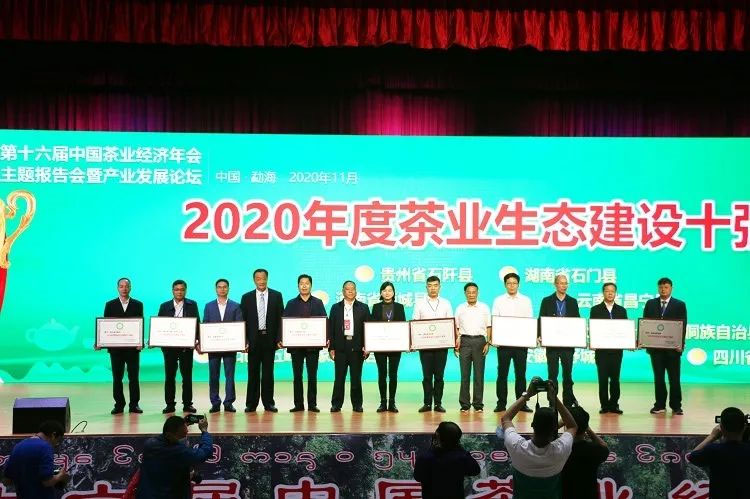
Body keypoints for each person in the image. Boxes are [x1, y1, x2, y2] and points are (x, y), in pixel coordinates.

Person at [500, 380, 578, 498]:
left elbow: (506, 419)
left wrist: (527, 394)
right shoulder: (561, 450)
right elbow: (572, 426)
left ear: (532, 425)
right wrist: (554, 398)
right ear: (555, 428)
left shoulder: (517, 447)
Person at [137, 415, 213, 499]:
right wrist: (204, 431)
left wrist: (180, 425)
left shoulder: (150, 444)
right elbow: (204, 453)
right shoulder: (178, 452)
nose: (185, 438)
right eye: (183, 436)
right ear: (169, 435)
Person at [282, 274, 327, 412]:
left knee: (312, 376)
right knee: (297, 376)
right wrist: (282, 338)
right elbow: (284, 322)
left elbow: (325, 321)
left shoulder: (318, 303)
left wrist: (326, 338)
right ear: (298, 286)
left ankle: (312, 404)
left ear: (311, 285)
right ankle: (298, 404)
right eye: (301, 283)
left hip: (313, 346)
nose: (304, 286)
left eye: (307, 283)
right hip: (296, 347)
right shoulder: (291, 303)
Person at [642, 277, 688, 415]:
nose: (663, 289)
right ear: (658, 288)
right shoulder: (650, 303)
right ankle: (660, 405)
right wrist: (644, 341)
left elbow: (683, 325)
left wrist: (680, 344)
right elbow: (646, 324)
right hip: (656, 350)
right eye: (661, 287)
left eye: (666, 287)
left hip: (673, 350)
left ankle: (676, 406)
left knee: (674, 379)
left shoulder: (679, 304)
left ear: (671, 288)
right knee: (659, 378)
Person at [241, 268, 284, 413]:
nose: (261, 281)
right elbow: (242, 321)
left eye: (263, 278)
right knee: (252, 373)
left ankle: (268, 403)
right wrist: (244, 341)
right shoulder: (246, 297)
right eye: (258, 278)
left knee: (268, 373)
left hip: (269, 340)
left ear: (267, 278)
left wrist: (279, 339)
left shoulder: (276, 296)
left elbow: (281, 319)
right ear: (254, 280)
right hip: (253, 340)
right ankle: (251, 404)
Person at [492, 272, 534, 413]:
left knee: (521, 375)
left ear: (518, 284)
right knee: (502, 375)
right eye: (509, 283)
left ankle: (521, 403)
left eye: (514, 283)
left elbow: (529, 321)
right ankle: (501, 403)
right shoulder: (498, 300)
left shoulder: (526, 300)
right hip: (504, 344)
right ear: (505, 285)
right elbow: (495, 320)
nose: (511, 286)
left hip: (520, 343)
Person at [687, 406, 750, 499]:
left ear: (721, 428)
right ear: (744, 427)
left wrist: (712, 436)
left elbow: (692, 456)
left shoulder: (714, 450)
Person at [102, 277, 144, 414]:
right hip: (116, 350)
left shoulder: (138, 304)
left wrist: (140, 342)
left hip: (133, 349)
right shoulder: (110, 305)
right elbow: (105, 326)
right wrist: (101, 342)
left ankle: (134, 405)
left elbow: (140, 324)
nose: (124, 289)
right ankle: (119, 405)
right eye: (121, 286)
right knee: (117, 378)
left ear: (130, 288)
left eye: (126, 286)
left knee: (134, 378)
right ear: (117, 288)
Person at [158, 279, 200, 414]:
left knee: (187, 377)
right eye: (177, 289)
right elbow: (159, 326)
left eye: (182, 289)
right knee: (169, 377)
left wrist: (198, 341)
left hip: (186, 348)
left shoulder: (192, 304)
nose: (179, 292)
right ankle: (169, 404)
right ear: (172, 291)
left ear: (185, 291)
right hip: (169, 348)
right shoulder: (164, 306)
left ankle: (187, 404)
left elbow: (197, 323)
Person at [328, 280, 371, 412]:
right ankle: (336, 404)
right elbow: (331, 329)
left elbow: (368, 329)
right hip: (340, 347)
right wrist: (331, 348)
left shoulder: (363, 307)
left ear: (356, 291)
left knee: (356, 378)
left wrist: (367, 346)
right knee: (339, 378)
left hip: (357, 347)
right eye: (347, 289)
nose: (350, 291)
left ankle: (357, 404)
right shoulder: (335, 308)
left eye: (353, 288)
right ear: (343, 291)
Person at [413, 275, 453, 413]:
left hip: (442, 345)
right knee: (427, 376)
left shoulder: (446, 303)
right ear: (426, 287)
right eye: (430, 286)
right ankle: (427, 403)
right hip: (425, 346)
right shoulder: (420, 303)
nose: (433, 288)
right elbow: (415, 323)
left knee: (439, 376)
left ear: (439, 287)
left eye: (435, 285)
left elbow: (450, 323)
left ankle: (438, 404)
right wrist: (414, 342)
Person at [538, 274, 580, 407]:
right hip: (552, 344)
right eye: (561, 283)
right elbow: (541, 319)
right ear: (555, 284)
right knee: (552, 375)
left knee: (567, 375)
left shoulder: (572, 301)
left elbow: (577, 321)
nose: (564, 286)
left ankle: (567, 402)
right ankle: (553, 402)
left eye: (566, 283)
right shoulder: (547, 300)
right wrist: (539, 335)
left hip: (568, 345)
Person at [202, 278, 243, 413]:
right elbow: (205, 325)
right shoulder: (209, 306)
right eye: (219, 287)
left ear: (228, 289)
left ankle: (228, 402)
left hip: (230, 347)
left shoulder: (236, 306)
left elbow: (239, 325)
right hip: (213, 347)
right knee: (213, 375)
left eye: (225, 287)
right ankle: (215, 402)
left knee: (230, 376)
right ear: (216, 289)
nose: (222, 289)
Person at [413, 421, 480, 499]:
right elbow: (475, 470)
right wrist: (459, 448)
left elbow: (418, 477)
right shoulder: (462, 457)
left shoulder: (425, 458)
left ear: (438, 436)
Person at [2, 420, 68, 498]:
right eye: (58, 441)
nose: (56, 444)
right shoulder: (45, 447)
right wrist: (61, 476)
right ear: (53, 435)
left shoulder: (18, 446)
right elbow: (47, 482)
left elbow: (6, 481)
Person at [589, 282, 628, 414]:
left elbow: (625, 330)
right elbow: (593, 329)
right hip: (602, 352)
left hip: (617, 352)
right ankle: (604, 405)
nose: (610, 293)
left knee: (615, 380)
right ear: (603, 293)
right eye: (607, 291)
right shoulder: (595, 310)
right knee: (603, 379)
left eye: (612, 291)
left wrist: (628, 342)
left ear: (615, 293)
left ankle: (614, 404)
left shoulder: (621, 310)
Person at [454, 282, 491, 412]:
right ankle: (464, 404)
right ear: (465, 294)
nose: (471, 295)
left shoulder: (484, 308)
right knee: (465, 375)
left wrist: (488, 342)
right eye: (468, 292)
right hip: (464, 341)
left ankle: (478, 404)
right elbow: (456, 327)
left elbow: (489, 326)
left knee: (479, 375)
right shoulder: (460, 308)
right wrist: (456, 342)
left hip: (480, 341)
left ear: (477, 293)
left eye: (473, 292)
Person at [370, 281, 406, 413]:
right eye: (384, 290)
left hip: (395, 346)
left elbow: (403, 326)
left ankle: (392, 403)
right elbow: (372, 327)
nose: (387, 293)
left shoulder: (400, 307)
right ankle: (383, 402)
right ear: (381, 293)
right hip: (380, 346)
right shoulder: (376, 307)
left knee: (393, 374)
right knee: (382, 374)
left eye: (390, 290)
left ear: (394, 292)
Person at [561, 406, 609, 499]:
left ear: (566, 425)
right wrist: (588, 429)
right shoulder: (594, 449)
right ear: (586, 426)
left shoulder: (560, 449)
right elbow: (604, 446)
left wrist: (563, 423)